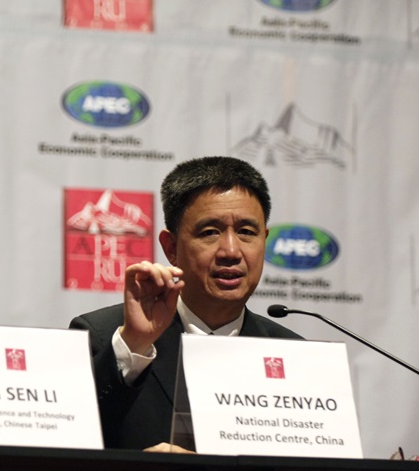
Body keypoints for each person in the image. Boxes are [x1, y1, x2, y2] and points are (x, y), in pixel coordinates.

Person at [70, 156, 302, 450]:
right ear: (171, 248)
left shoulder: (293, 356)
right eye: (210, 232)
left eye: (246, 232)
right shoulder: (103, 336)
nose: (231, 251)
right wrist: (136, 344)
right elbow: (71, 441)